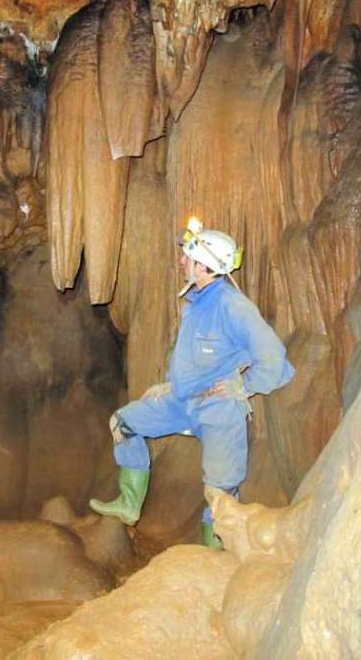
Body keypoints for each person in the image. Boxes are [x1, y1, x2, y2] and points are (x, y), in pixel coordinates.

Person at [89, 219, 295, 547]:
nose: (182, 261)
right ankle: (129, 504)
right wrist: (170, 385)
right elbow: (192, 357)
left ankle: (213, 559)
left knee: (220, 493)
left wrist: (243, 387)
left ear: (203, 266)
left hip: (219, 409)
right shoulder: (196, 303)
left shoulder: (233, 306)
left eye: (188, 257)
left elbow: (274, 358)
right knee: (123, 423)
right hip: (182, 401)